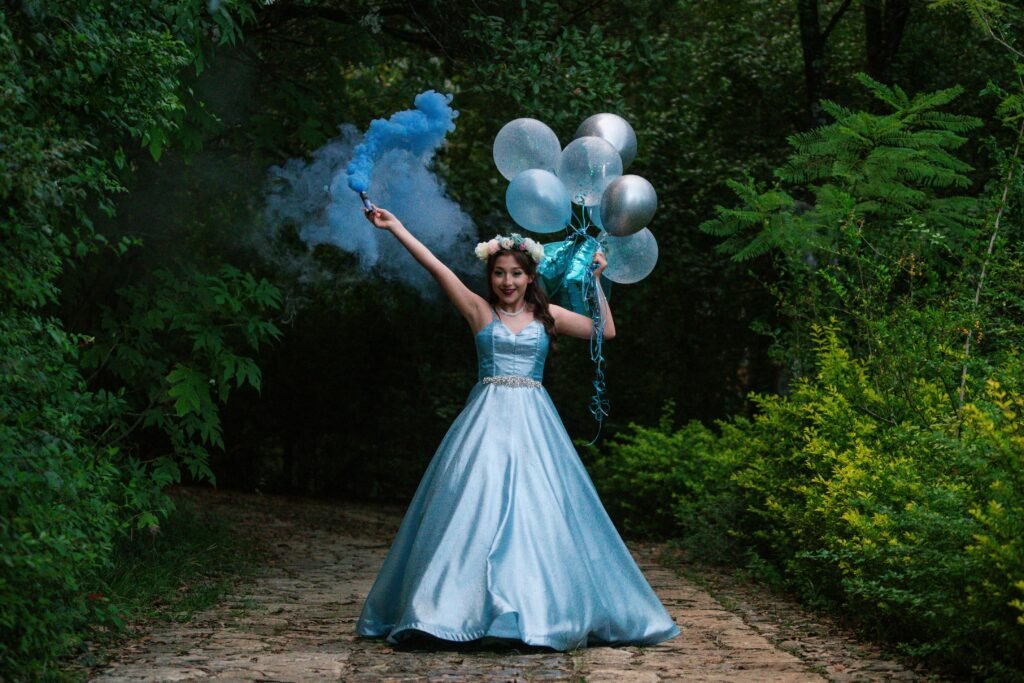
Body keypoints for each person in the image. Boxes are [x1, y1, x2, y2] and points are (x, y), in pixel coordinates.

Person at [355, 207, 680, 651]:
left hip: (534, 423)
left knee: (536, 513)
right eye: (500, 274)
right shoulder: (478, 311)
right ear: (491, 277)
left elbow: (605, 332)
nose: (508, 282)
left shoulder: (549, 317)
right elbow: (435, 267)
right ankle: (452, 610)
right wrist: (396, 227)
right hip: (484, 423)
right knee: (473, 510)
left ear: (530, 277)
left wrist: (596, 281)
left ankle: (537, 610)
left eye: (516, 274)